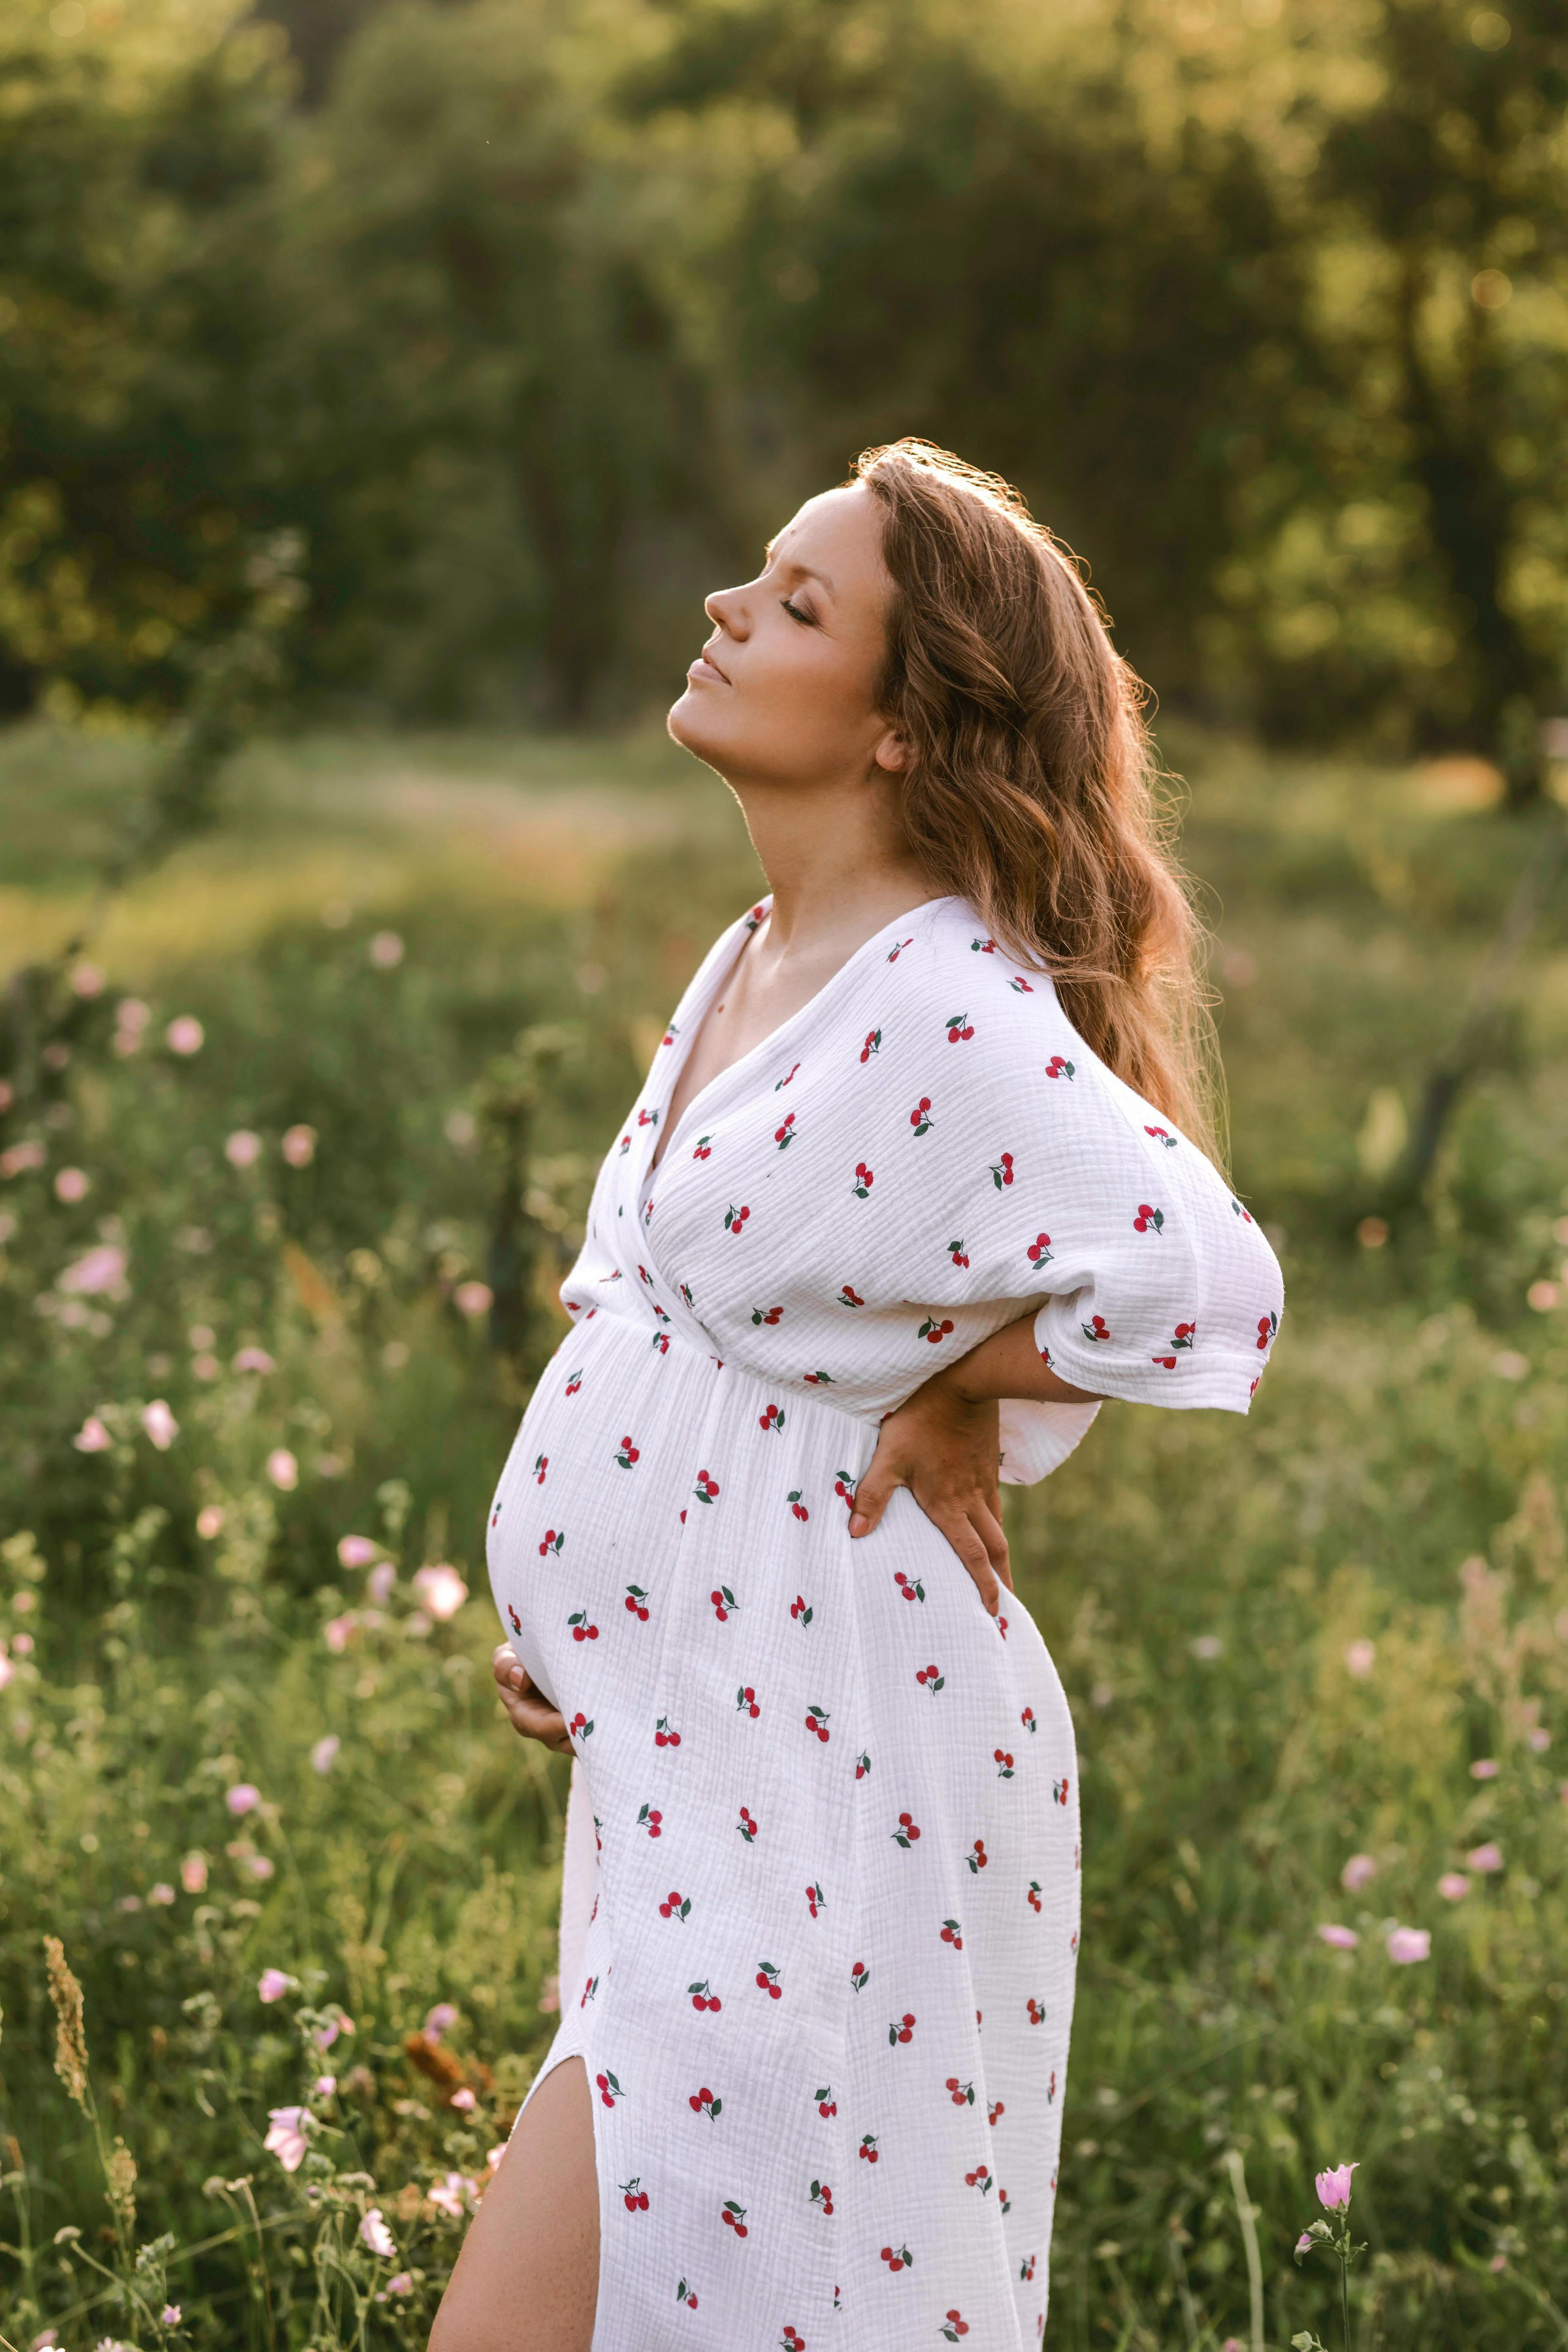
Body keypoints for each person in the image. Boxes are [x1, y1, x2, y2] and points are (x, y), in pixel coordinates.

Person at [429, 439, 1283, 2352]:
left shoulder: (946, 1004)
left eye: (800, 603)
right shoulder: (759, 957)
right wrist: (602, 1631)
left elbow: (1211, 1277)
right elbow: (679, 1331)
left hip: (834, 1776)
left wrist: (974, 1374)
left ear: (909, 724)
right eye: (758, 573)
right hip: (696, 1758)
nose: (731, 608)